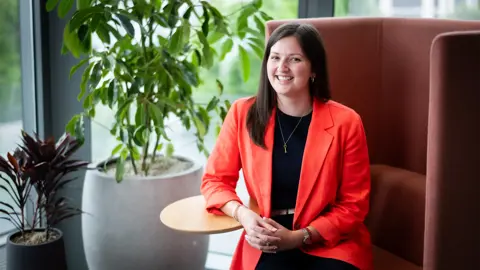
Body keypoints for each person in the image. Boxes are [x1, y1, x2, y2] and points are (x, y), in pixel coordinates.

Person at [200, 22, 372, 270]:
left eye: (294, 59)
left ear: (314, 69)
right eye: (275, 57)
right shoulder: (243, 113)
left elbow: (353, 205)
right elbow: (214, 181)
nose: (282, 68)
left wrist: (299, 237)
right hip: (267, 236)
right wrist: (244, 216)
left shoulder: (347, 122)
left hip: (330, 240)